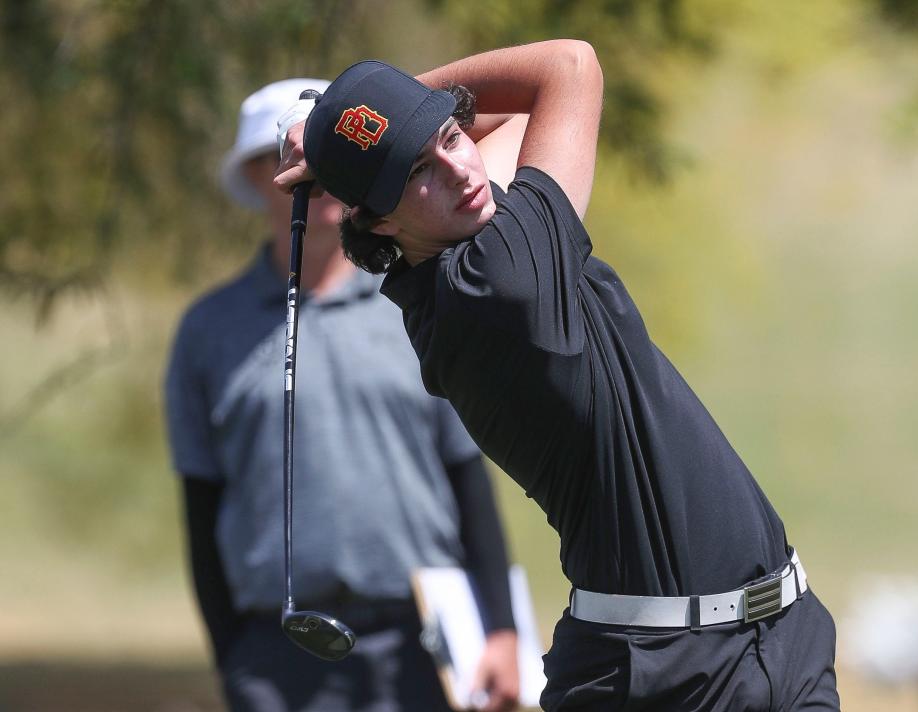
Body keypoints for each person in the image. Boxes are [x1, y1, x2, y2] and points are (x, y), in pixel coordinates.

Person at [274, 41, 842, 711]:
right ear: (380, 222)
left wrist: (371, 123)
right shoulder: (498, 283)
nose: (459, 169)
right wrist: (363, 118)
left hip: (781, 641)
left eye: (452, 136)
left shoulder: (459, 246)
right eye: (419, 170)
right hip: (661, 678)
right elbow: (568, 69)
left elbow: (510, 121)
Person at [164, 78, 521, 712]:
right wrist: (233, 655)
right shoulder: (208, 330)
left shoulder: (417, 299)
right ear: (255, 178)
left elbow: (467, 477)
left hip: (426, 639)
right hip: (279, 650)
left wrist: (502, 629)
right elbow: (201, 503)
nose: (318, 179)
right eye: (294, 160)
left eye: (333, 159)